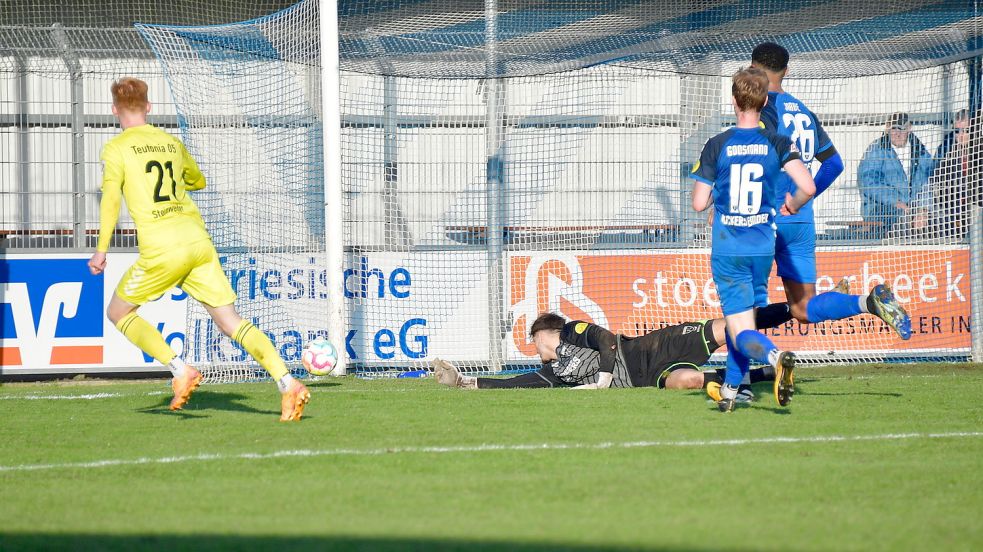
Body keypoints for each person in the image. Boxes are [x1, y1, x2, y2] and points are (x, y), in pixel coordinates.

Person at [87, 77, 310, 421]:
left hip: (163, 247)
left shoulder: (117, 148)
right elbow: (198, 180)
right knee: (230, 322)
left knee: (118, 313)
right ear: (148, 107)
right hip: (197, 241)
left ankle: (179, 370)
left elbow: (111, 200)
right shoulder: (171, 143)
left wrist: (101, 250)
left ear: (115, 110)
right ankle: (288, 383)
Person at [749, 42, 911, 349]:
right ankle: (867, 302)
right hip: (799, 220)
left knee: (744, 305)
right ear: (787, 71)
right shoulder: (803, 112)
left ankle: (741, 382)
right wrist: (803, 198)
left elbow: (760, 156)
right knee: (803, 309)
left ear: (753, 68)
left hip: (766, 216)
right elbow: (834, 164)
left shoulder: (763, 107)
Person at [690, 66, 815, 412]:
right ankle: (733, 389)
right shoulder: (777, 143)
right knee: (742, 320)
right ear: (763, 102)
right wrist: (792, 204)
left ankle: (775, 357)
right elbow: (808, 186)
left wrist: (719, 192)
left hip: (729, 248)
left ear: (734, 101)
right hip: (762, 247)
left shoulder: (718, 144)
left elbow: (699, 203)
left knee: (741, 327)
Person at [433, 313, 776, 395]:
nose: (533, 349)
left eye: (532, 340)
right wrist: (465, 381)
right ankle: (766, 374)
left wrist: (604, 378)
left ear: (543, 333)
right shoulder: (556, 374)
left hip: (654, 347)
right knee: (686, 382)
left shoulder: (571, 331)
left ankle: (791, 311)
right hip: (648, 377)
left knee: (730, 324)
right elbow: (516, 383)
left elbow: (608, 339)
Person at [857, 112, 933, 238]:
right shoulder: (876, 150)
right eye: (894, 129)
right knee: (901, 219)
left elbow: (928, 181)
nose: (898, 134)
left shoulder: (920, 151)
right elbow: (868, 182)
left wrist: (923, 209)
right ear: (887, 128)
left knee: (937, 218)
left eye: (902, 129)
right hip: (881, 207)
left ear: (909, 128)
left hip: (913, 207)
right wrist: (895, 201)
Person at [914, 110, 978, 240]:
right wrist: (924, 209)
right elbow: (931, 180)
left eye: (966, 131)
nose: (960, 136)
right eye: (957, 131)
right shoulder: (945, 150)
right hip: (952, 211)